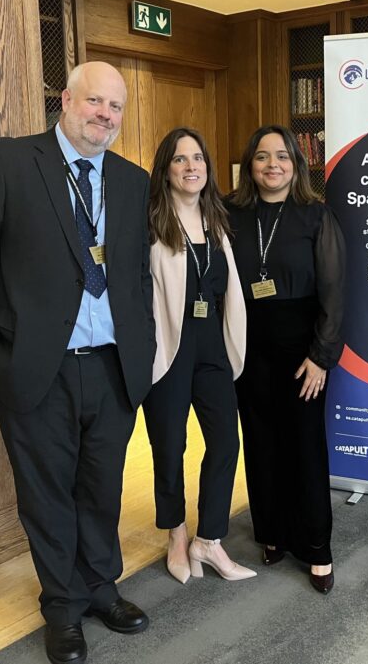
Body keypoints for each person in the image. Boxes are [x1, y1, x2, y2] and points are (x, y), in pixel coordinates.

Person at [0, 61, 156, 664]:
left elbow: (135, 275)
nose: (106, 116)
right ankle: (62, 606)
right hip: (36, 368)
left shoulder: (130, 179)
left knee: (101, 489)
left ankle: (100, 587)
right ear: (65, 100)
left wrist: (141, 351)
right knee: (46, 495)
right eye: (96, 101)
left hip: (113, 368)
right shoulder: (9, 162)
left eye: (116, 108)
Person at [227, 125, 345, 595]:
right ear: (248, 166)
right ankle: (272, 532)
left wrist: (321, 357)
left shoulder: (315, 216)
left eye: (282, 157)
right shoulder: (231, 216)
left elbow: (335, 295)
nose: (271, 165)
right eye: (261, 157)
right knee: (259, 442)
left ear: (296, 164)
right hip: (247, 346)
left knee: (304, 446)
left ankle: (317, 547)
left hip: (303, 352)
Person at [142, 128, 255, 584]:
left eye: (198, 159)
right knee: (169, 448)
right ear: (166, 170)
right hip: (168, 349)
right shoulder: (151, 222)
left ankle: (209, 540)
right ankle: (176, 534)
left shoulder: (218, 220)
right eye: (180, 160)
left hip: (212, 349)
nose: (192, 168)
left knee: (226, 442)